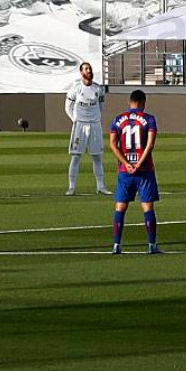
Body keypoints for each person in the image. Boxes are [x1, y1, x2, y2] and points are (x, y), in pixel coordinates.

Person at [108, 90, 160, 255]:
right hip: (144, 170)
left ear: (129, 102)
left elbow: (112, 145)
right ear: (143, 102)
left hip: (125, 171)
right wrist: (139, 162)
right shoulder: (149, 119)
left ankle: (116, 244)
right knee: (147, 206)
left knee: (121, 207)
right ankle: (152, 245)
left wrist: (126, 163)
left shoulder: (117, 120)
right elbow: (150, 144)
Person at [64, 61, 111, 196]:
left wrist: (96, 117)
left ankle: (100, 186)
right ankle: (71, 187)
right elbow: (68, 107)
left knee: (97, 157)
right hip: (80, 125)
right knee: (76, 156)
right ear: (81, 72)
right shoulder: (75, 89)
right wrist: (75, 119)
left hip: (95, 125)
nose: (89, 71)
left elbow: (101, 105)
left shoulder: (98, 89)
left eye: (90, 68)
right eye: (86, 69)